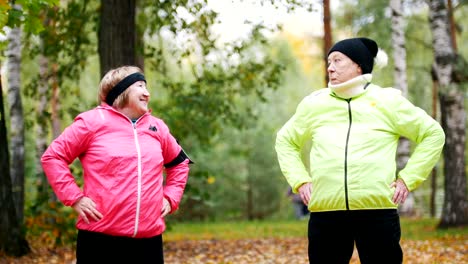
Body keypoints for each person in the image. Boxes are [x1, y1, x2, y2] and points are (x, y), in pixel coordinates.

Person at [275, 37, 445, 264]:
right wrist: (300, 180)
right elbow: (285, 140)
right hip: (326, 213)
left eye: (337, 60)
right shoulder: (314, 104)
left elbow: (433, 134)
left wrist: (407, 179)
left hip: (377, 213)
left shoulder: (387, 101)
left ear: (359, 65)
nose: (330, 67)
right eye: (328, 61)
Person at [41, 65, 192, 264]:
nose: (147, 93)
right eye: (140, 86)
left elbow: (180, 164)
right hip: (100, 240)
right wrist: (74, 198)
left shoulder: (157, 127)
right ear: (121, 90)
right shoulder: (91, 122)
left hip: (148, 241)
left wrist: (171, 197)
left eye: (146, 87)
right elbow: (53, 157)